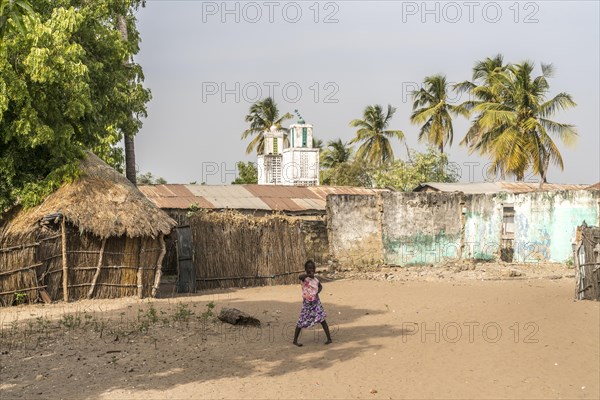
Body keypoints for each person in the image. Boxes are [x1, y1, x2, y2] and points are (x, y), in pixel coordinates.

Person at [293, 260, 332, 346]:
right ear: (306, 269)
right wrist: (308, 275)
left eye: (313, 268)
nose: (311, 270)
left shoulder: (316, 280)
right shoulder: (304, 278)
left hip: (316, 303)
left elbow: (320, 286)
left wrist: (317, 292)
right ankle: (295, 340)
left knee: (322, 320)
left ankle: (329, 339)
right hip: (307, 304)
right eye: (309, 268)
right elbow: (300, 276)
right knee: (301, 321)